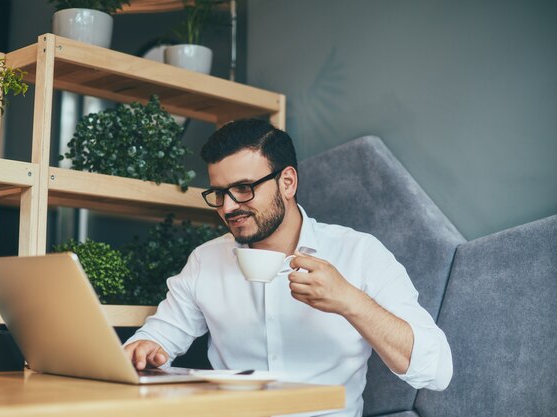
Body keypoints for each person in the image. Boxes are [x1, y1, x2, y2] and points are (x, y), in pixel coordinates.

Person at [123, 119, 452, 417]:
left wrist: (350, 301)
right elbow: (158, 338)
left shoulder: (359, 253)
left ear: (288, 182)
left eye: (243, 189)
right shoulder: (205, 261)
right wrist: (144, 350)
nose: (228, 207)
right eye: (219, 193)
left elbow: (435, 370)